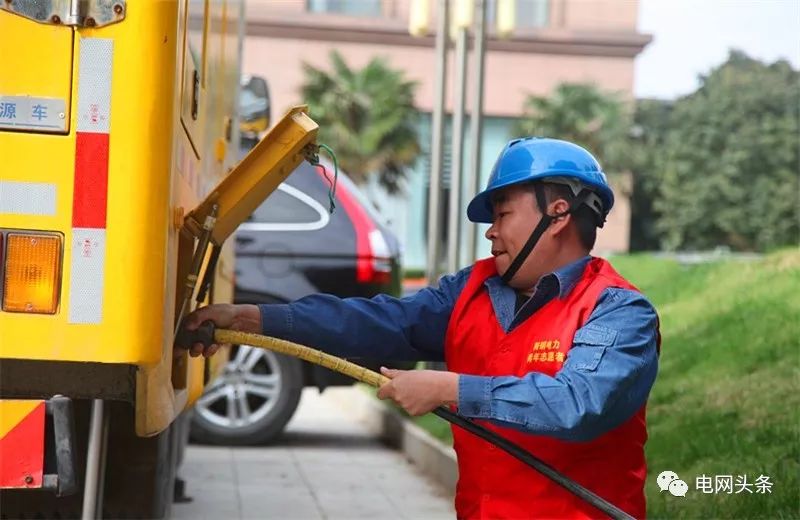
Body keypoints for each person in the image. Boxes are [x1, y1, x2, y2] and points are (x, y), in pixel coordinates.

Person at [179, 137, 660, 519]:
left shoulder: (617, 311)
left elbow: (580, 404)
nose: (491, 231)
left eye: (503, 214)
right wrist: (253, 318)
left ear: (558, 214)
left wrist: (450, 387)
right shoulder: (471, 290)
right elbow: (378, 321)